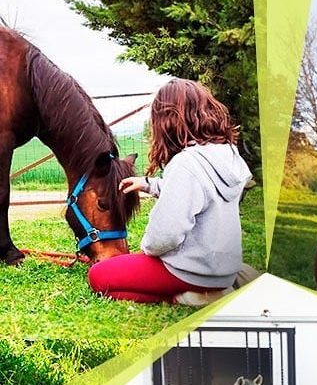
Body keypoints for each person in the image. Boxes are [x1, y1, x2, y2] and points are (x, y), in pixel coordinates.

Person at [88, 78, 253, 306]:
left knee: (99, 276)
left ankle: (183, 298)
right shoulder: (226, 154)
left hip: (190, 271)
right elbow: (198, 190)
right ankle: (209, 291)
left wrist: (146, 249)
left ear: (167, 121)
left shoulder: (186, 163)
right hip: (220, 271)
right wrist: (148, 184)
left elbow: (163, 237)